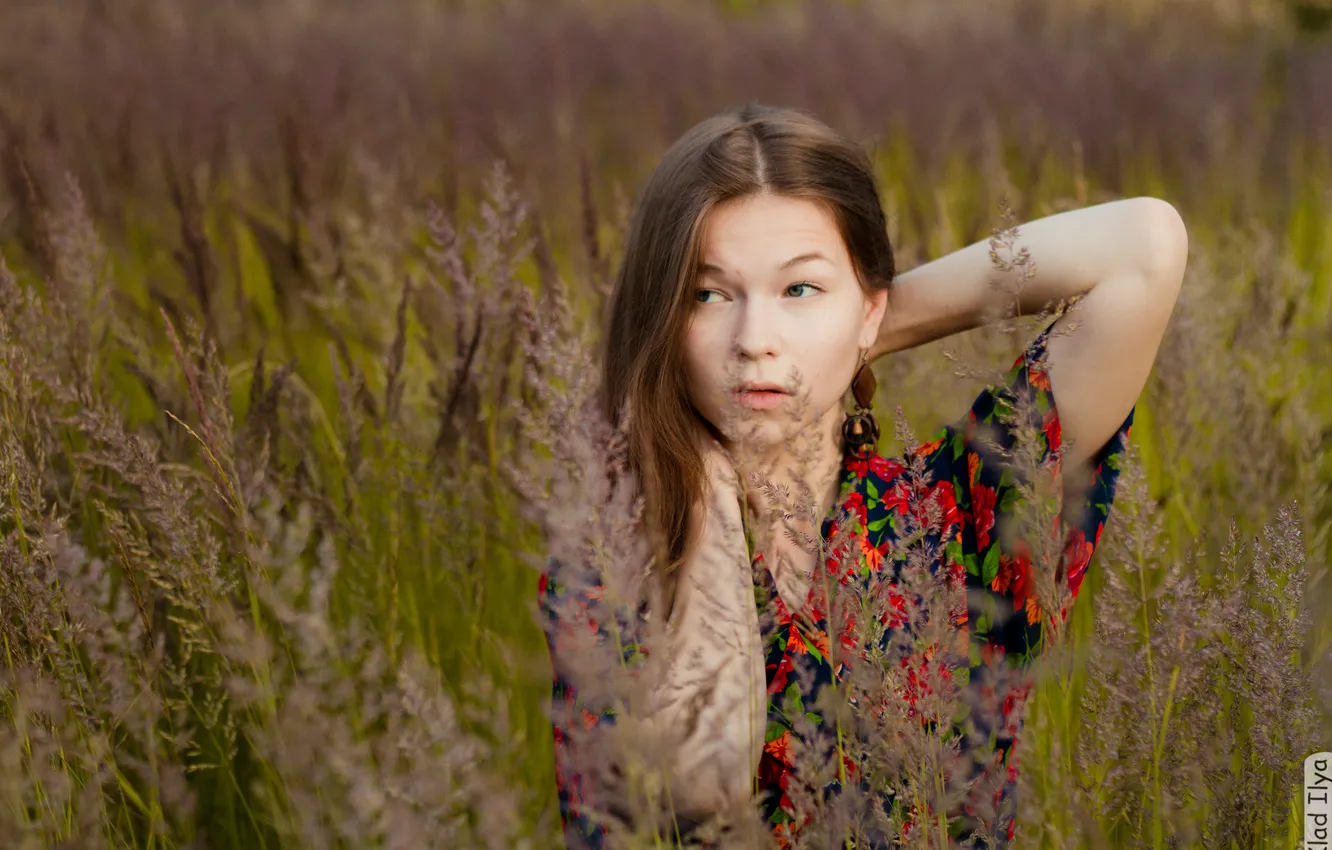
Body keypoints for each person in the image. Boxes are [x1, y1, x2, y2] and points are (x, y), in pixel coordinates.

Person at [537, 102, 1187, 848]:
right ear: (662, 318)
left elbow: (1145, 247)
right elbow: (704, 788)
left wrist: (870, 331)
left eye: (799, 290)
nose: (755, 342)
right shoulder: (612, 558)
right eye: (708, 294)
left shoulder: (947, 517)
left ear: (868, 306)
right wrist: (707, 485)